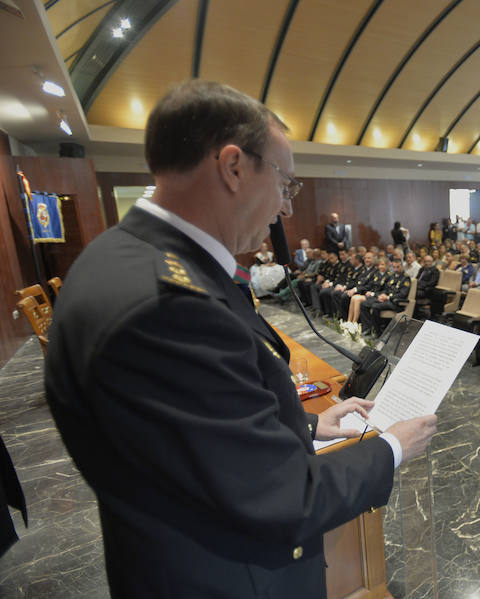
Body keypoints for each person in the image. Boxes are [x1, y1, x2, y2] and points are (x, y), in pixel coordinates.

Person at [43, 81, 436, 598]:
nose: (286, 207)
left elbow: (195, 438)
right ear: (233, 166)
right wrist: (391, 448)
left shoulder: (121, 255)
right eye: (284, 183)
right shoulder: (168, 308)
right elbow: (280, 497)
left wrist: (310, 424)